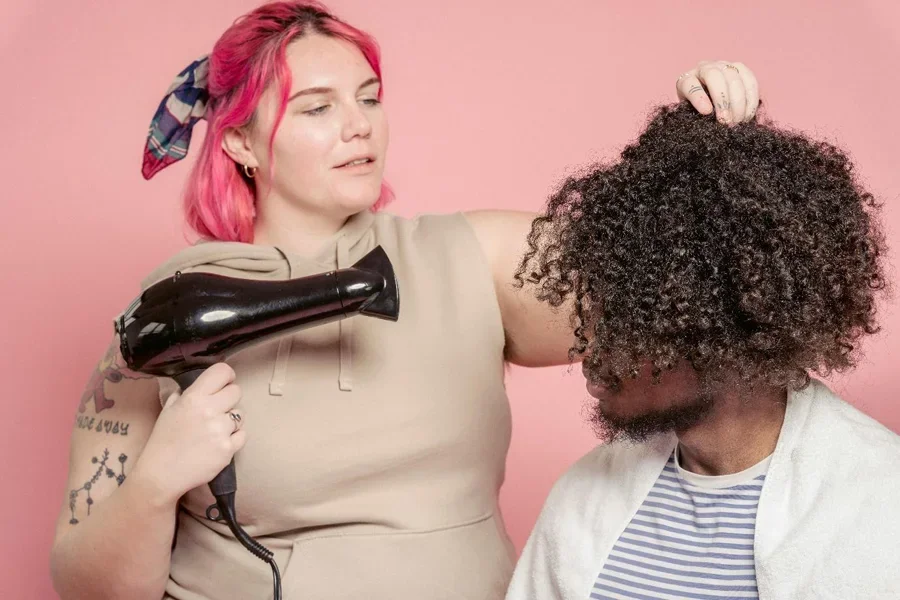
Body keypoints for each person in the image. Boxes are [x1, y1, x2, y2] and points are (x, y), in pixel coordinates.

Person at [48, 2, 761, 599]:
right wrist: (153, 483)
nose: (359, 125)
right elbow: (85, 582)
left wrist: (702, 145)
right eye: (317, 108)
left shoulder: (468, 259)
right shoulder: (174, 310)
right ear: (240, 140)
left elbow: (666, 288)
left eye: (369, 97)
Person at [504, 102, 900, 599]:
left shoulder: (880, 506)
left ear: (727, 332)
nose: (589, 353)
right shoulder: (585, 497)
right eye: (597, 316)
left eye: (633, 324)